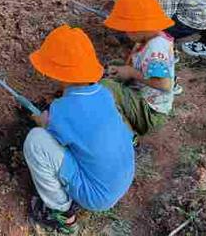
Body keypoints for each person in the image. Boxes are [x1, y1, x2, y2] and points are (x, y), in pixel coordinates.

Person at [24, 25, 135, 234]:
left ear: (60, 73)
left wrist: (43, 122)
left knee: (36, 141)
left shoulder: (61, 109)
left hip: (96, 195)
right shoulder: (104, 93)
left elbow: (49, 130)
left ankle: (63, 214)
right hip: (123, 177)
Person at [101, 0, 177, 136]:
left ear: (138, 28)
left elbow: (165, 84)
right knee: (115, 65)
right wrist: (126, 69)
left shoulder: (156, 49)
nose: (126, 34)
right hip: (142, 95)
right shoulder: (148, 38)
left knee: (107, 86)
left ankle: (128, 135)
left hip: (151, 111)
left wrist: (130, 73)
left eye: (127, 30)